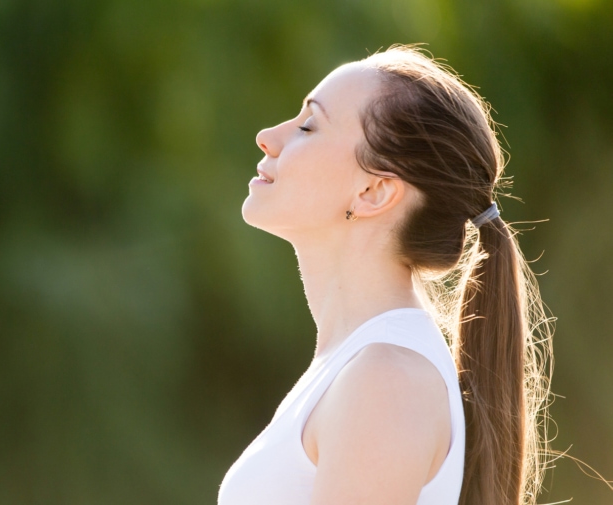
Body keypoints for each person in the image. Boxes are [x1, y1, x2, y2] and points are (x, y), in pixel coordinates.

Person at [218, 45, 552, 505]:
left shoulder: (386, 380)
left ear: (374, 191)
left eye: (308, 125)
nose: (268, 136)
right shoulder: (361, 367)